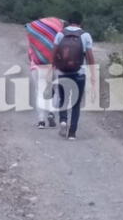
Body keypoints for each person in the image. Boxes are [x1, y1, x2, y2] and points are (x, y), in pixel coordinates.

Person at [53, 12, 96, 141]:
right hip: (79, 74)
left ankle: (63, 120)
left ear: (68, 21)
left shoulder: (60, 34)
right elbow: (90, 57)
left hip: (62, 72)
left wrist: (53, 67)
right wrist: (93, 73)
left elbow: (54, 53)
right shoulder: (85, 36)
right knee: (76, 103)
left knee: (63, 99)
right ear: (81, 22)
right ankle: (72, 133)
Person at [26, 17, 63, 129]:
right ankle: (51, 113)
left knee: (39, 92)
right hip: (54, 66)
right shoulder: (57, 38)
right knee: (56, 91)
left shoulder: (33, 39)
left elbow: (29, 55)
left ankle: (41, 121)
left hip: (37, 67)